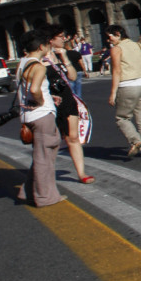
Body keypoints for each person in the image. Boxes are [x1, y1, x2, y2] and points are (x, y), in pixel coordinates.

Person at [16, 29, 67, 207]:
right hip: (41, 115)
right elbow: (35, 90)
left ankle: (28, 192)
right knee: (45, 158)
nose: (48, 47)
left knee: (40, 156)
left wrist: (45, 97)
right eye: (46, 44)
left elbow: (26, 89)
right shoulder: (38, 66)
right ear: (40, 46)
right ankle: (45, 197)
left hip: (27, 116)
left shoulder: (22, 63)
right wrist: (41, 101)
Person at [42, 26, 94, 184]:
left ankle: (81, 173)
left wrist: (64, 58)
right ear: (51, 40)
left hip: (68, 101)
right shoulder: (41, 59)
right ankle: (44, 175)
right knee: (53, 142)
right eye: (61, 36)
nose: (64, 39)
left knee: (73, 137)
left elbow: (71, 77)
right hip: (50, 104)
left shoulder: (60, 55)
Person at [105, 25, 141, 159]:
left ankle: (135, 140)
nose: (109, 41)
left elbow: (116, 71)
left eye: (110, 37)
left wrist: (113, 93)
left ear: (117, 34)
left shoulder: (116, 49)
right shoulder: (138, 45)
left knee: (122, 118)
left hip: (128, 86)